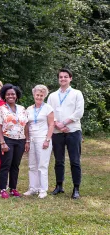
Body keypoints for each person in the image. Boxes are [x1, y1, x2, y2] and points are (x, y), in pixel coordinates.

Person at [47, 68, 84, 199]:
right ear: (58, 79)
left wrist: (65, 123)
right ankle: (59, 186)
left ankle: (76, 188)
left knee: (75, 161)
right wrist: (58, 124)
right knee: (59, 160)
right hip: (57, 132)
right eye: (61, 77)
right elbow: (49, 112)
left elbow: (79, 112)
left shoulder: (77, 93)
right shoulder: (52, 96)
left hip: (73, 131)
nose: (63, 79)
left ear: (70, 78)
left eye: (65, 77)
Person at [0, 84, 29, 199]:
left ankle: (13, 188)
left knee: (15, 165)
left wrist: (27, 140)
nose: (11, 96)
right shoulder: (1, 109)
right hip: (7, 139)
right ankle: (2, 189)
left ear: (16, 95)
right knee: (6, 164)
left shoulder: (22, 109)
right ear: (4, 96)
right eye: (8, 94)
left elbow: (26, 125)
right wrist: (2, 142)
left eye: (13, 94)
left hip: (20, 140)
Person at [24, 85, 54, 199]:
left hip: (43, 138)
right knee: (32, 165)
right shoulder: (29, 109)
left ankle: (43, 189)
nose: (39, 97)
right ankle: (33, 188)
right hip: (31, 138)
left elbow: (51, 124)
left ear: (44, 96)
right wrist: (26, 140)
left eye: (41, 95)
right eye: (37, 95)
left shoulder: (48, 108)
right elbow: (26, 125)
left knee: (42, 165)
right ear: (34, 95)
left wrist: (47, 139)